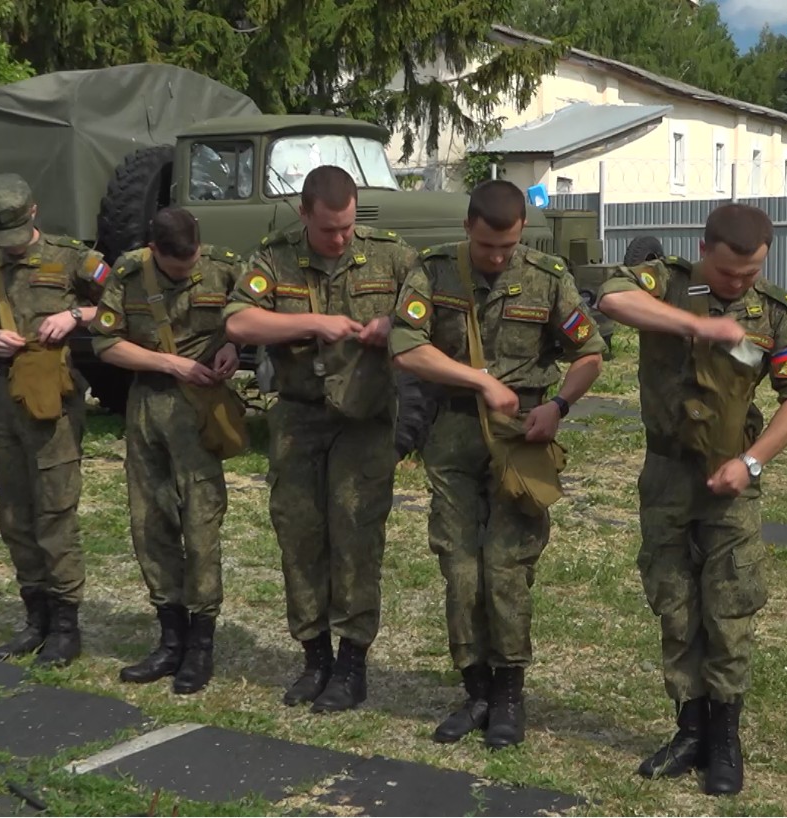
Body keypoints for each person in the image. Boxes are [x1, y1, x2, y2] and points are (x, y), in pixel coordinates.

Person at [595, 203, 787, 795]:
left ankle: (724, 738)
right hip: (668, 473)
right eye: (727, 274)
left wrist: (752, 463)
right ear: (703, 249)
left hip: (730, 479)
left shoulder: (772, 312)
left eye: (750, 274)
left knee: (728, 606)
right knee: (674, 601)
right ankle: (688, 728)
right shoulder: (665, 282)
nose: (738, 284)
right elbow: (609, 299)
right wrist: (696, 324)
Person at [390, 180, 605, 749]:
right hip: (454, 431)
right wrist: (479, 379)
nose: (497, 257)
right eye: (488, 246)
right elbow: (406, 346)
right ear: (467, 227)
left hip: (523, 433)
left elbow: (589, 353)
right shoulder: (432, 271)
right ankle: (475, 689)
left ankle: (509, 693)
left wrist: (559, 406)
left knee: (505, 568)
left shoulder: (547, 276)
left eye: (507, 246)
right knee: (460, 566)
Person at [225, 165, 416, 713]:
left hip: (363, 419)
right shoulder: (275, 256)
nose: (340, 239)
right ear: (305, 214)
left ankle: (352, 663)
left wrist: (392, 326)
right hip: (299, 416)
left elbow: (426, 309)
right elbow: (238, 322)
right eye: (329, 229)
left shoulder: (389, 254)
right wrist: (309, 324)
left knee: (356, 536)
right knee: (300, 535)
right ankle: (315, 657)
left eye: (347, 227)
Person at [90, 207, 243, 694]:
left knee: (201, 525)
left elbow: (245, 318)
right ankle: (169, 639)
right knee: (150, 522)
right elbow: (105, 343)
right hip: (149, 406)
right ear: (154, 252)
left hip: (199, 412)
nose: (188, 272)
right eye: (177, 268)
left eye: (192, 262)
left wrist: (233, 348)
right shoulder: (129, 274)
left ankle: (200, 646)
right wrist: (171, 364)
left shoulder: (222, 267)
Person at [0, 173, 110, 668]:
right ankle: (36, 619)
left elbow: (120, 302)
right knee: (14, 515)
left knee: (54, 513)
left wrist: (76, 316)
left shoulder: (73, 258)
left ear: (34, 213)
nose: (13, 249)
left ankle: (66, 626)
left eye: (18, 237)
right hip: (8, 398)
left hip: (55, 399)